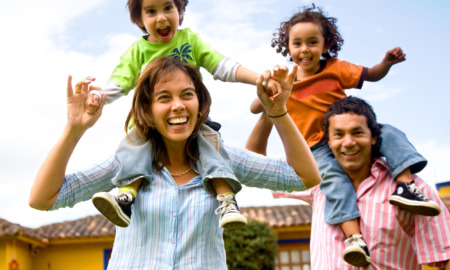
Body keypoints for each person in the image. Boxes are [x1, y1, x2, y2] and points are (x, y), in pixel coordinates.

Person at [29, 56, 321, 269]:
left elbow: (303, 176)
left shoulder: (222, 156)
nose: (178, 105)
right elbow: (44, 199)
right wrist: (74, 129)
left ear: (200, 103)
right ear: (148, 109)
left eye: (187, 95)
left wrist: (278, 113)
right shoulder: (126, 164)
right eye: (164, 97)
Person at [246, 4, 441, 267]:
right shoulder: (288, 82)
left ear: (325, 45)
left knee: (391, 133)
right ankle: (354, 238)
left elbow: (371, 74)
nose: (305, 49)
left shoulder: (336, 68)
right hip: (316, 147)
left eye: (312, 42)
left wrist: (386, 63)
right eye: (298, 43)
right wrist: (272, 92)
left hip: (341, 130)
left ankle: (405, 184)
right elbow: (256, 108)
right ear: (288, 47)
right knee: (334, 181)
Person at [90, 0, 280, 229]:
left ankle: (227, 202)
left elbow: (222, 66)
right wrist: (98, 96)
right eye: (151, 11)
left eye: (168, 8)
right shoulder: (137, 52)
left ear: (180, 11)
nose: (161, 17)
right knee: (133, 145)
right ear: (140, 19)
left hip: (191, 123)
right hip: (150, 124)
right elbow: (120, 83)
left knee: (211, 144)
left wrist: (259, 79)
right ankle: (126, 197)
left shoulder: (190, 40)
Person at [273, 96, 450, 269]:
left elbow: (446, 258)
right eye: (339, 134)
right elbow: (255, 165)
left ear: (374, 137)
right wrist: (271, 111)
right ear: (329, 141)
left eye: (357, 133)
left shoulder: (415, 192)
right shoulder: (317, 181)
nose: (348, 143)